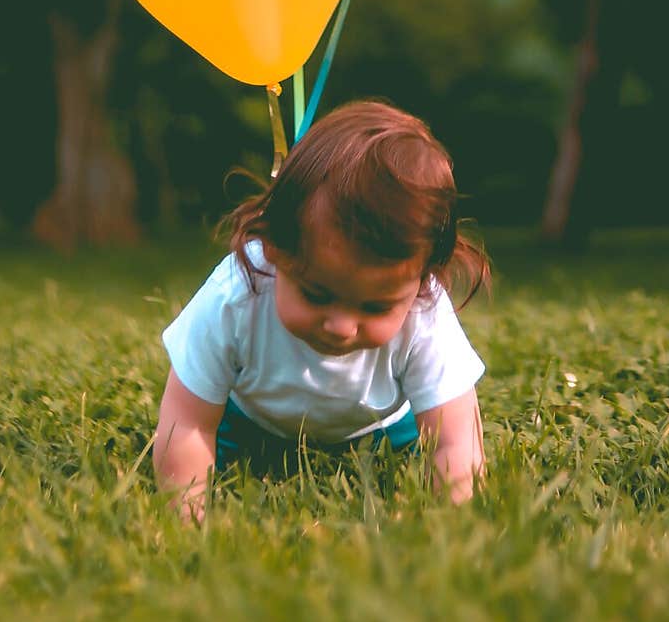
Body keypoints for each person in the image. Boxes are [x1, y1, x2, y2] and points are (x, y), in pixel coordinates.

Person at [153, 99, 490, 522]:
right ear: (275, 250)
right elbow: (188, 422)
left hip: (380, 432)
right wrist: (184, 520)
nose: (341, 326)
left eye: (375, 307)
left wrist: (454, 532)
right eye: (316, 294)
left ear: (421, 282)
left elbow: (454, 440)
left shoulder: (424, 312)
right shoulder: (238, 293)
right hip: (248, 427)